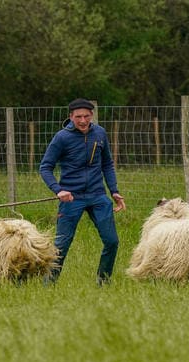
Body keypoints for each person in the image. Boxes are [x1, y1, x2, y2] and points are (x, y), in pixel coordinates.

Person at [39, 98, 126, 286]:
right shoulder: (62, 138)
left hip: (98, 196)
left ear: (92, 115)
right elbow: (45, 167)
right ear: (71, 117)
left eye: (86, 116)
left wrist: (114, 191)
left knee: (112, 241)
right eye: (78, 117)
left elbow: (107, 164)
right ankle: (48, 285)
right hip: (71, 198)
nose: (83, 121)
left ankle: (103, 281)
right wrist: (58, 190)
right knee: (61, 245)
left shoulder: (100, 133)